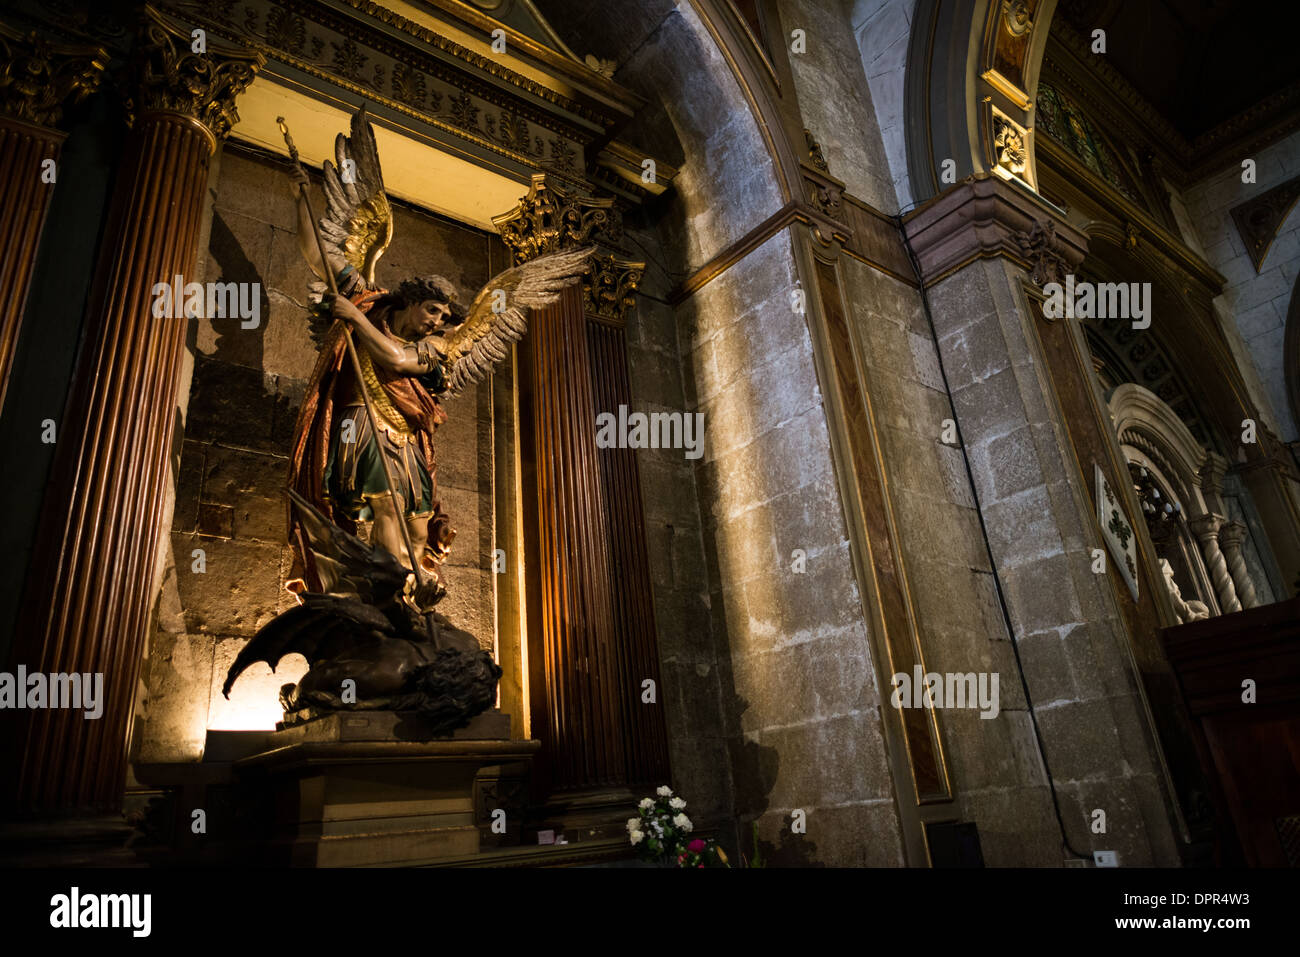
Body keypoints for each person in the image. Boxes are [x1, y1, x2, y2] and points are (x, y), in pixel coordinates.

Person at [284, 166, 461, 605]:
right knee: (385, 503)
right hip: (360, 421)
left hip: (405, 434)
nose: (437, 322)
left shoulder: (431, 348)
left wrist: (353, 316)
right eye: (433, 310)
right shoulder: (369, 299)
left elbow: (393, 357)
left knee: (418, 523)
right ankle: (389, 596)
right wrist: (299, 201)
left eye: (443, 317)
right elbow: (318, 256)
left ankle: (413, 583)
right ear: (411, 300)